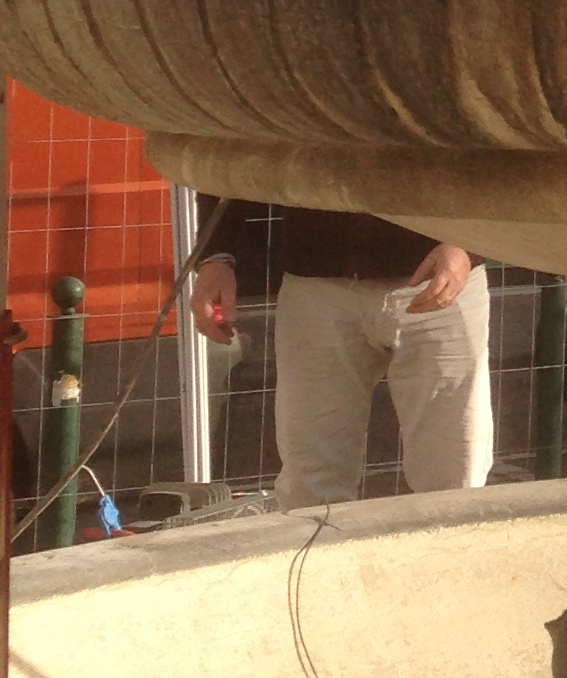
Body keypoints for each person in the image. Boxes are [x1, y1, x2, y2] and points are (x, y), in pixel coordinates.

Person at [191, 202, 490, 508]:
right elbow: (235, 154)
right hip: (317, 280)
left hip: (444, 276)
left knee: (455, 482)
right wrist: (217, 255)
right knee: (309, 490)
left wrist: (468, 241)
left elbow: (504, 158)